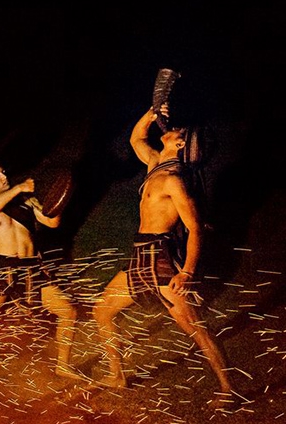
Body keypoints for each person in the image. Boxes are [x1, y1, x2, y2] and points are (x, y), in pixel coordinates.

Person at [92, 107, 233, 395]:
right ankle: (117, 376)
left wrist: (187, 273)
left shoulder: (175, 181)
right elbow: (135, 140)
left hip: (161, 260)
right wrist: (151, 112)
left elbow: (194, 228)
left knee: (195, 327)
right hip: (139, 255)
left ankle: (229, 389)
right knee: (102, 311)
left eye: (178, 132)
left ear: (180, 144)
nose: (172, 128)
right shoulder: (156, 163)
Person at [0, 162, 81, 380]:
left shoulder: (26, 202)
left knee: (68, 312)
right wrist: (19, 188)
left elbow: (52, 222)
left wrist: (58, 200)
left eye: (3, 172)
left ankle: (63, 366)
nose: (3, 176)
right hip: (6, 270)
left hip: (33, 269)